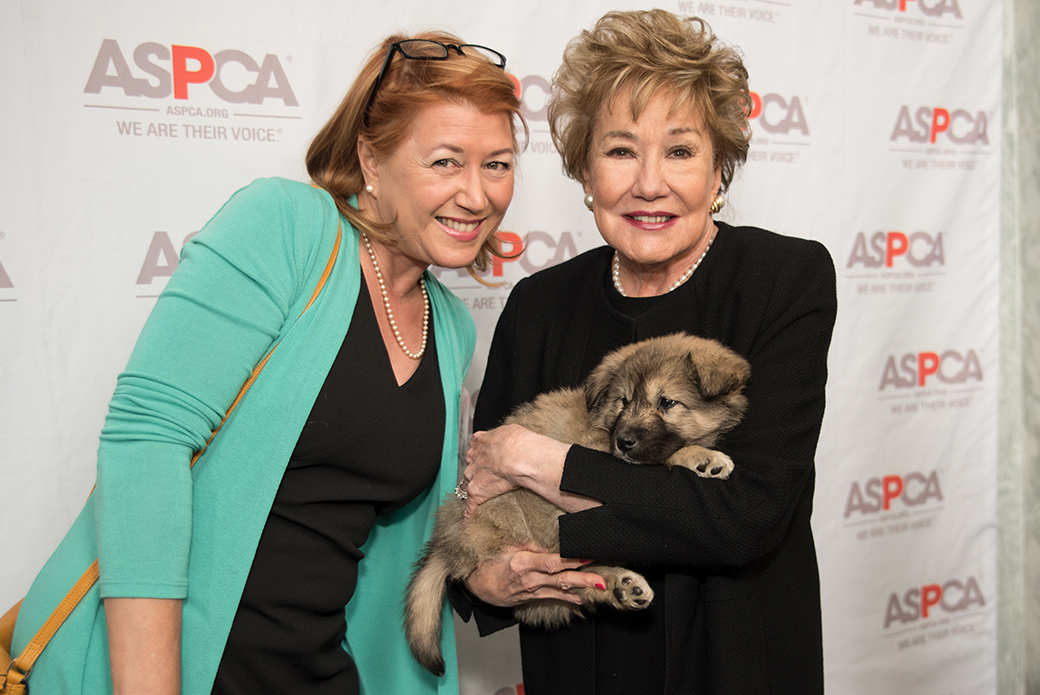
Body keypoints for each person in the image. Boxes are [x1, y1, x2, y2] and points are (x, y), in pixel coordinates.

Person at [10, 31, 523, 695]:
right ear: (372, 158)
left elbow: (400, 545)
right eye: (447, 162)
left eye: (499, 164)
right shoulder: (288, 228)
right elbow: (147, 443)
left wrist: (490, 571)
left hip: (320, 671)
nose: (478, 195)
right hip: (177, 670)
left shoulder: (449, 324)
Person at [456, 10, 836, 694]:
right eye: (621, 150)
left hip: (733, 663)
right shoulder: (539, 305)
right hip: (578, 665)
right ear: (584, 171)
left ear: (719, 166)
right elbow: (484, 498)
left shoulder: (785, 280)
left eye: (681, 150)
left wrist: (546, 464)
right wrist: (483, 578)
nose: (649, 183)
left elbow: (741, 515)